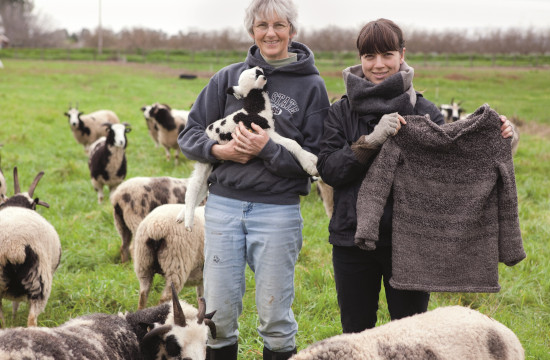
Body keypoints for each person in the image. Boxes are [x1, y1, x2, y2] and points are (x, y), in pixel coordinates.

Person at [316, 18, 516, 334]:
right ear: (360, 59)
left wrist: (502, 141)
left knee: (410, 337)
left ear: (402, 54)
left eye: (387, 55)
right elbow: (328, 169)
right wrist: (370, 142)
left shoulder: (423, 111)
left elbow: (457, 164)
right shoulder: (341, 112)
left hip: (412, 244)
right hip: (351, 240)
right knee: (355, 335)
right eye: (369, 56)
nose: (378, 65)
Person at [177, 0, 330, 358]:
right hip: (224, 208)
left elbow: (318, 160)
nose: (271, 33)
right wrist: (220, 152)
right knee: (218, 314)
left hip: (277, 211)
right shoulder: (227, 78)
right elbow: (189, 134)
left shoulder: (312, 86)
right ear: (252, 32)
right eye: (262, 26)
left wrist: (268, 150)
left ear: (292, 30)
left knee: (275, 317)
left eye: (279, 25)